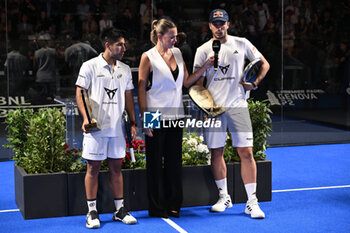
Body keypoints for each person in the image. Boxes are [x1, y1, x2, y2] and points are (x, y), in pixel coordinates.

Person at [192, 9, 270, 219]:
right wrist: (206, 108)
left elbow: (265, 64)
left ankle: (251, 202)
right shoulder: (202, 50)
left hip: (238, 107)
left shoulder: (242, 43)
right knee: (216, 153)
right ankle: (224, 197)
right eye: (215, 24)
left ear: (228, 24)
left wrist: (254, 83)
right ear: (210, 26)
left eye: (222, 23)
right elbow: (198, 85)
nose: (219, 27)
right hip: (214, 110)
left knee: (246, 152)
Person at [138, 18, 213, 218]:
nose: (175, 40)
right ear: (160, 36)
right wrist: (146, 120)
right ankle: (156, 207)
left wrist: (205, 67)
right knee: (155, 164)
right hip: (154, 115)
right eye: (172, 37)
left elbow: (187, 82)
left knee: (173, 163)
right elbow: (141, 89)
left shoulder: (178, 53)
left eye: (176, 36)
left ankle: (174, 204)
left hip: (176, 114)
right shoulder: (148, 57)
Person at [75, 27, 137, 229]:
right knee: (93, 168)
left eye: (124, 44)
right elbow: (80, 93)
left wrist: (133, 122)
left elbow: (128, 96)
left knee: (116, 168)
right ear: (108, 45)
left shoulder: (125, 70)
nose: (123, 48)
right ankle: (92, 211)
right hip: (96, 128)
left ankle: (119, 210)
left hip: (117, 129)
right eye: (120, 44)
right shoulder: (89, 66)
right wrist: (86, 118)